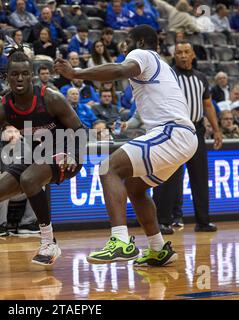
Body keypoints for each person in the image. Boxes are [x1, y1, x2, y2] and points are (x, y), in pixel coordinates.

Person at [55, 25, 198, 266]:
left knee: (107, 168)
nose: (124, 46)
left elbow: (120, 70)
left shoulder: (142, 55)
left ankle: (120, 241)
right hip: (182, 137)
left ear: (140, 41)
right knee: (136, 188)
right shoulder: (164, 66)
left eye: (128, 41)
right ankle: (158, 248)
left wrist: (76, 73)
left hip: (172, 133)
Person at [0, 45, 84, 269]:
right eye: (14, 74)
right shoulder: (2, 108)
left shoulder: (51, 98)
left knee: (30, 179)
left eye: (24, 73)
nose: (20, 78)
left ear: (32, 75)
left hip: (68, 152)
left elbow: (80, 130)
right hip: (37, 156)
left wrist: (71, 153)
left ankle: (48, 242)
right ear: (7, 78)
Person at [152, 41, 222, 234]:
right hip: (174, 131)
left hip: (197, 131)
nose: (183, 55)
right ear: (174, 56)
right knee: (170, 178)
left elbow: (207, 105)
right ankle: (163, 221)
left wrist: (216, 129)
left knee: (200, 178)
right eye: (179, 52)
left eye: (186, 52)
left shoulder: (201, 78)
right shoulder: (168, 76)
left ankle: (203, 221)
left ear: (193, 55)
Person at [0, 125, 39, 236]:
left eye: (16, 131)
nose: (13, 134)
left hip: (21, 189)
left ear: (20, 135)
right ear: (3, 134)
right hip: (6, 189)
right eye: (9, 131)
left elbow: (33, 173)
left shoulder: (26, 149)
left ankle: (27, 224)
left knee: (39, 184)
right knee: (0, 184)